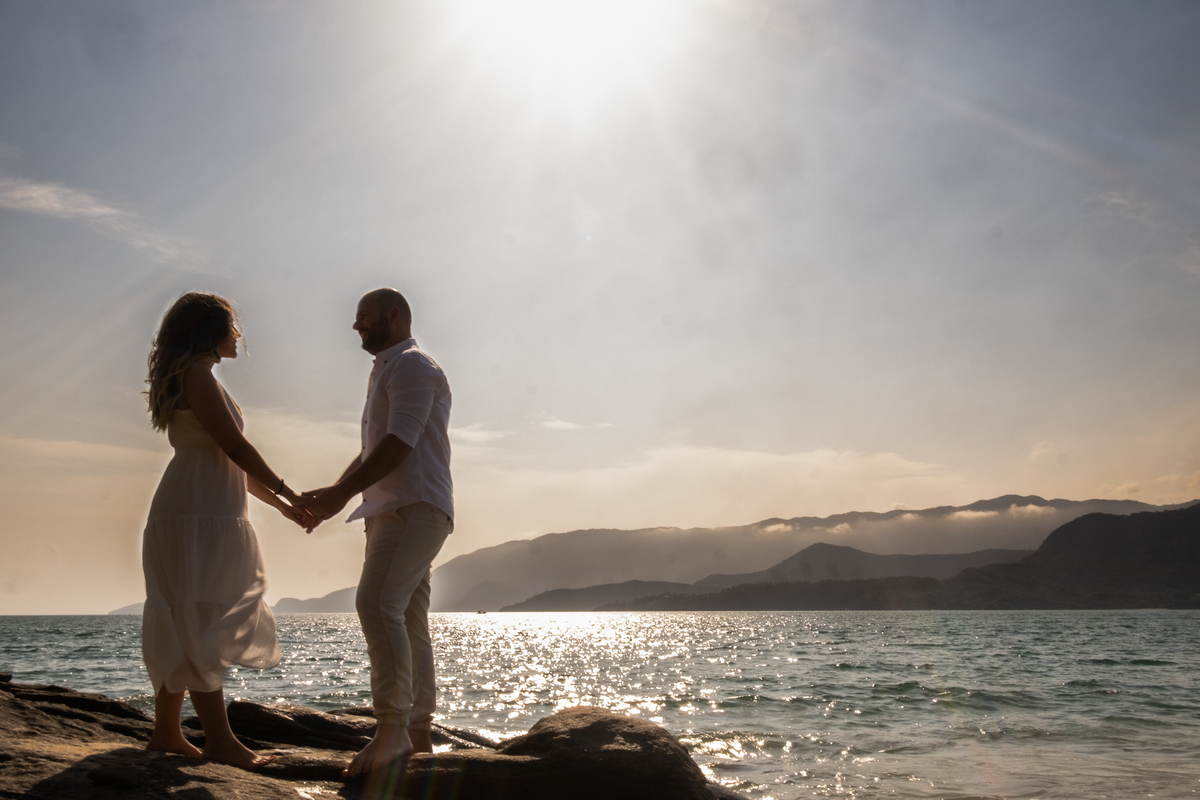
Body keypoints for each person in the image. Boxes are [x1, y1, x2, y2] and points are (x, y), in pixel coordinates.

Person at [141, 292, 309, 769]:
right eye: (231, 326)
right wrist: (292, 492)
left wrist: (280, 505)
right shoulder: (197, 375)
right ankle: (217, 739)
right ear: (209, 332)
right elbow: (234, 445)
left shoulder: (195, 375)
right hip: (198, 514)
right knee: (198, 617)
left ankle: (167, 733)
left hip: (200, 506)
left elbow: (228, 459)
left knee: (185, 613)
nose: (238, 335)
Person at [299, 287, 454, 778]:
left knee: (377, 605)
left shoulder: (412, 365)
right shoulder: (387, 368)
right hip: (395, 509)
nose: (355, 326)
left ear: (394, 315)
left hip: (412, 507)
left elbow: (400, 443)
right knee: (407, 618)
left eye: (363, 317)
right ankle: (419, 734)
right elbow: (375, 450)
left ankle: (392, 731)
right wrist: (333, 494)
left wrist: (339, 495)